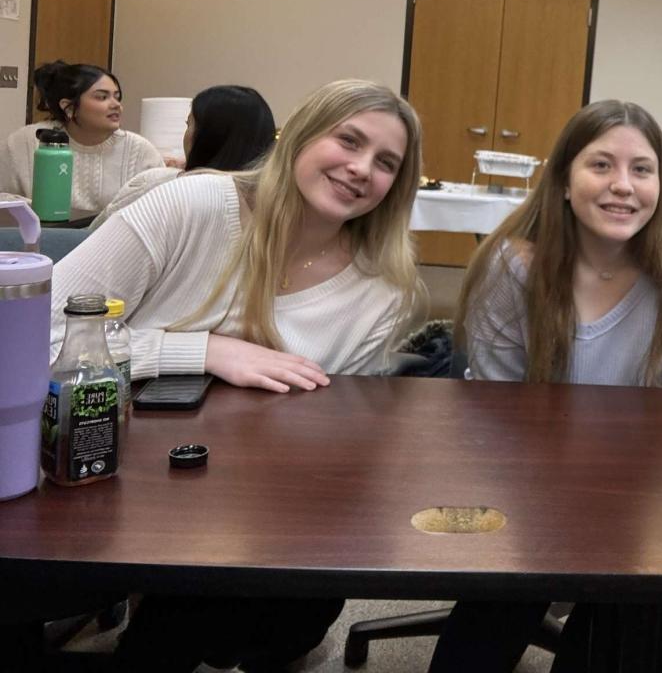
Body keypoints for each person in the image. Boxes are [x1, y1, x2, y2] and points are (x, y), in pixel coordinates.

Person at [47, 79, 428, 673]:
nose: (361, 169)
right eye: (349, 141)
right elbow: (36, 335)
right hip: (106, 467)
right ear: (298, 137)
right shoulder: (192, 205)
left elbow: (340, 426)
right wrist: (201, 350)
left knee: (295, 604)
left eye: (386, 163)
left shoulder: (381, 289)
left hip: (260, 492)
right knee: (193, 607)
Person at [429, 98, 662, 673]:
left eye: (642, 170)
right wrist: (553, 519)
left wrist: (611, 513)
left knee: (636, 611)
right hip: (523, 475)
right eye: (601, 165)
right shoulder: (512, 265)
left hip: (635, 480)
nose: (623, 185)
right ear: (564, 180)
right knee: (505, 603)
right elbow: (495, 411)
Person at [88, 84, 276, 230]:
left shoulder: (160, 183)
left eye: (189, 124)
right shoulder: (278, 205)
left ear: (207, 138)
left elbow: (95, 234)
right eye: (102, 97)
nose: (115, 105)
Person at [0, 60, 163, 217]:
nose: (116, 105)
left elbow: (160, 211)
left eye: (117, 97)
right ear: (69, 108)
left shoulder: (140, 151)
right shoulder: (26, 141)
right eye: (102, 97)